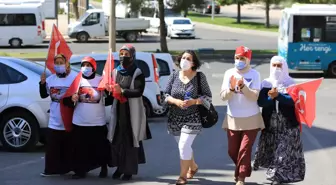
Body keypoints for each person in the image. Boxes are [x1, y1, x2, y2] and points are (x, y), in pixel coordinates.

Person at [252, 56, 305, 185]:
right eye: (274, 65)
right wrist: (272, 98)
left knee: (283, 150)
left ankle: (278, 175)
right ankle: (277, 174)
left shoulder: (290, 83)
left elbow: (292, 101)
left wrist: (278, 96)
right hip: (271, 122)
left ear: (284, 67)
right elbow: (261, 102)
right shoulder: (266, 83)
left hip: (287, 123)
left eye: (279, 65)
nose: (276, 68)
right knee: (274, 150)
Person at [164, 50, 212, 185]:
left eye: (188, 58)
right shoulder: (174, 75)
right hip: (175, 118)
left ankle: (182, 176)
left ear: (193, 63)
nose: (184, 60)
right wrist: (175, 101)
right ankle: (194, 166)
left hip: (193, 118)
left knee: (184, 145)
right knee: (183, 146)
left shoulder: (199, 77)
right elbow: (165, 95)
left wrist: (194, 101)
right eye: (183, 57)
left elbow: (208, 97)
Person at [106, 44, 152, 181]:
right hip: (118, 111)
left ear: (132, 56)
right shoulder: (115, 72)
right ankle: (119, 167)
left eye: (126, 55)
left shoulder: (137, 72)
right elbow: (111, 94)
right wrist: (107, 91)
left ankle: (128, 171)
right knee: (117, 140)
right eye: (121, 54)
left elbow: (138, 92)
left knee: (130, 141)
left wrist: (123, 92)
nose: (123, 57)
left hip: (131, 112)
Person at [220, 46, 265, 185]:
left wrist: (244, 87)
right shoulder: (229, 73)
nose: (239, 61)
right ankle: (243, 168)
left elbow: (254, 97)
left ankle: (241, 178)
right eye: (237, 58)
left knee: (244, 149)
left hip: (251, 118)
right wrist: (232, 89)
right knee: (233, 151)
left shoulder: (255, 74)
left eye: (242, 58)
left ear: (248, 59)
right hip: (233, 117)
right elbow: (222, 96)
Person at [62, 57, 112, 179]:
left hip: (97, 121)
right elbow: (66, 101)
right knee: (79, 149)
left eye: (88, 65)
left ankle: (103, 167)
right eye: (83, 65)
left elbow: (109, 100)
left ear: (94, 67)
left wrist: (109, 91)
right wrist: (71, 98)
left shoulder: (100, 80)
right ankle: (80, 171)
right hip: (80, 121)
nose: (85, 68)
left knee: (100, 148)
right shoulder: (77, 81)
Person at [39, 54, 77, 177]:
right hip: (55, 118)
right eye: (57, 63)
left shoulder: (74, 78)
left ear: (67, 64)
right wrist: (42, 83)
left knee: (69, 145)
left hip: (69, 116)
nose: (59, 65)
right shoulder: (51, 79)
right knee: (53, 146)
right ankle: (51, 169)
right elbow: (44, 95)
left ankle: (67, 168)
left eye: (61, 62)